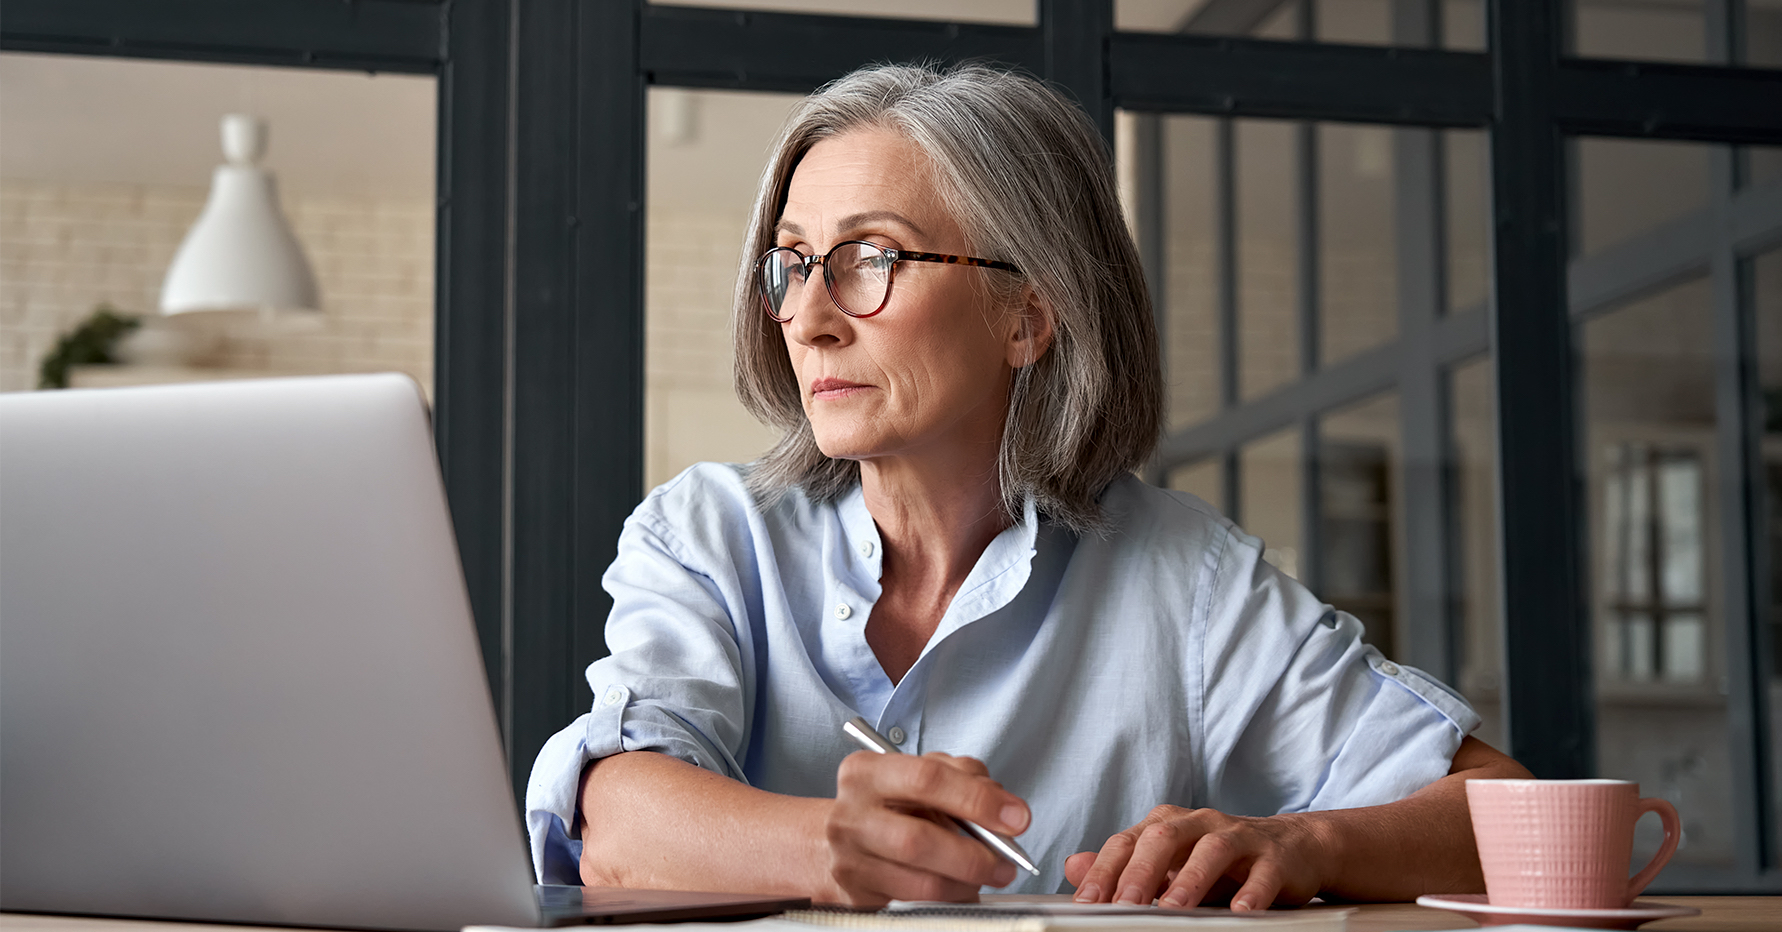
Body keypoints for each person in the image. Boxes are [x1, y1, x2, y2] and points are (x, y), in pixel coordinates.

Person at [525, 62, 1531, 909]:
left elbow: (1511, 816)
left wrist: (1304, 845)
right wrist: (831, 845)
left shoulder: (1188, 580)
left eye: (869, 257)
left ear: (1028, 316)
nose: (812, 316)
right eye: (792, 263)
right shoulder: (707, 533)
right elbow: (613, 821)